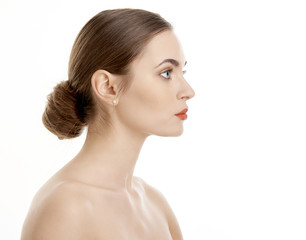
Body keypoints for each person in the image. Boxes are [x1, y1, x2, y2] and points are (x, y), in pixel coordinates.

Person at [21, 8, 195, 240]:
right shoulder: (65, 207)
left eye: (182, 71)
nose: (188, 91)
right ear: (107, 86)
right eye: (166, 73)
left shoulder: (156, 205)